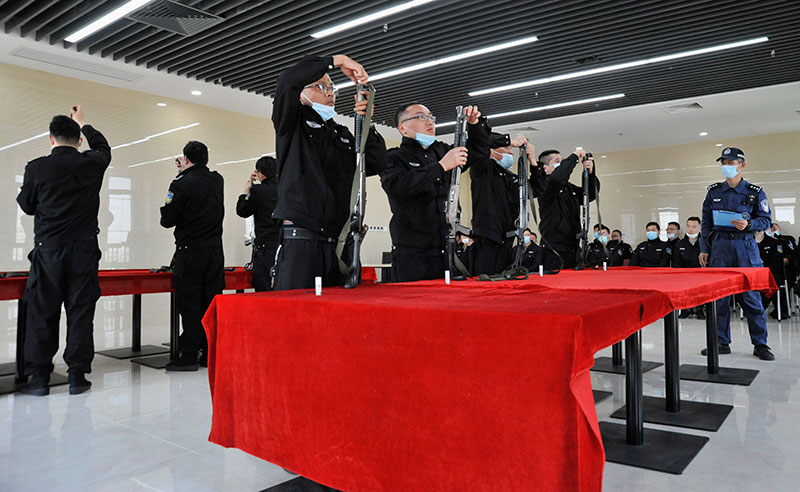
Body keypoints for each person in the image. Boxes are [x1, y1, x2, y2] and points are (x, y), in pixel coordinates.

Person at [16, 105, 110, 396]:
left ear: (50, 139)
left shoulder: (36, 168)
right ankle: (77, 377)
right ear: (79, 141)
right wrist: (84, 123)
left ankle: (40, 379)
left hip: (49, 250)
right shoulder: (92, 163)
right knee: (81, 312)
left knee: (42, 311)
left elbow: (27, 205)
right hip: (84, 250)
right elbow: (104, 147)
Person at [271, 54, 387, 290]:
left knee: (342, 309)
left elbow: (376, 163)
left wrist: (367, 123)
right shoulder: (291, 123)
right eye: (320, 86)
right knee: (296, 307)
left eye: (332, 88)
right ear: (300, 93)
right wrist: (338, 60)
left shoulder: (341, 133)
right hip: (303, 236)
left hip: (340, 239)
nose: (329, 93)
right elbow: (288, 80)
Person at [382, 103, 488, 282]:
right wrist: (440, 167)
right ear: (403, 128)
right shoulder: (393, 157)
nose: (429, 121)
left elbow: (479, 151)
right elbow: (398, 187)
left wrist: (475, 125)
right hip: (413, 253)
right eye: (420, 117)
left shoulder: (443, 151)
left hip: (448, 247)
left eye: (431, 117)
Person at [699, 146, 773, 361]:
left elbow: (766, 221)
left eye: (731, 163)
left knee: (751, 299)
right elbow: (706, 224)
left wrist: (749, 224)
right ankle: (721, 342)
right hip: (720, 248)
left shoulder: (755, 192)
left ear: (742, 165)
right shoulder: (713, 192)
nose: (726, 167)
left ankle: (760, 344)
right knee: (719, 299)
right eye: (724, 163)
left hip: (745, 248)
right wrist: (704, 249)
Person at [160, 141, 225, 371]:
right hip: (215, 252)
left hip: (190, 252)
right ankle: (209, 353)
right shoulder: (217, 180)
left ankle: (188, 355)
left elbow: (167, 220)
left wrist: (180, 175)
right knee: (210, 303)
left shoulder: (181, 183)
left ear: (185, 159)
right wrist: (185, 171)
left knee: (189, 303)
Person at [469, 134, 534, 275]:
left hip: (508, 238)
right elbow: (480, 141)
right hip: (488, 238)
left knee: (504, 281)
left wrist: (533, 162)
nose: (511, 152)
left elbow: (535, 190)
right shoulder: (482, 169)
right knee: (487, 280)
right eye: (506, 148)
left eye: (511, 149)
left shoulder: (510, 177)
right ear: (491, 151)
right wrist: (512, 141)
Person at [530, 148, 597, 269]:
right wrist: (574, 157)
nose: (561, 165)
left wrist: (591, 172)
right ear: (545, 168)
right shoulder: (544, 186)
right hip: (554, 249)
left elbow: (590, 195)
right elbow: (557, 178)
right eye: (557, 161)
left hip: (573, 247)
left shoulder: (569, 188)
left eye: (562, 161)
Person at [236, 156, 279, 292]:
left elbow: (242, 211)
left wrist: (246, 192)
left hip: (265, 248)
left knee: (263, 287)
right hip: (284, 247)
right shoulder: (285, 189)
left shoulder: (258, 191)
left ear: (261, 174)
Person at [673, 217, 704, 318]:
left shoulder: (704, 244)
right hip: (685, 274)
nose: (691, 229)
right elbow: (676, 262)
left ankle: (699, 309)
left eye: (694, 227)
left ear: (699, 228)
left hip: (701, 273)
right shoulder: (679, 244)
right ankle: (686, 309)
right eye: (688, 226)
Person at [755, 230, 789, 319]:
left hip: (770, 273)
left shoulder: (774, 242)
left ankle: (760, 307)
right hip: (753, 273)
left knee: (774, 280)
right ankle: (753, 306)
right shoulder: (746, 242)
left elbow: (776, 262)